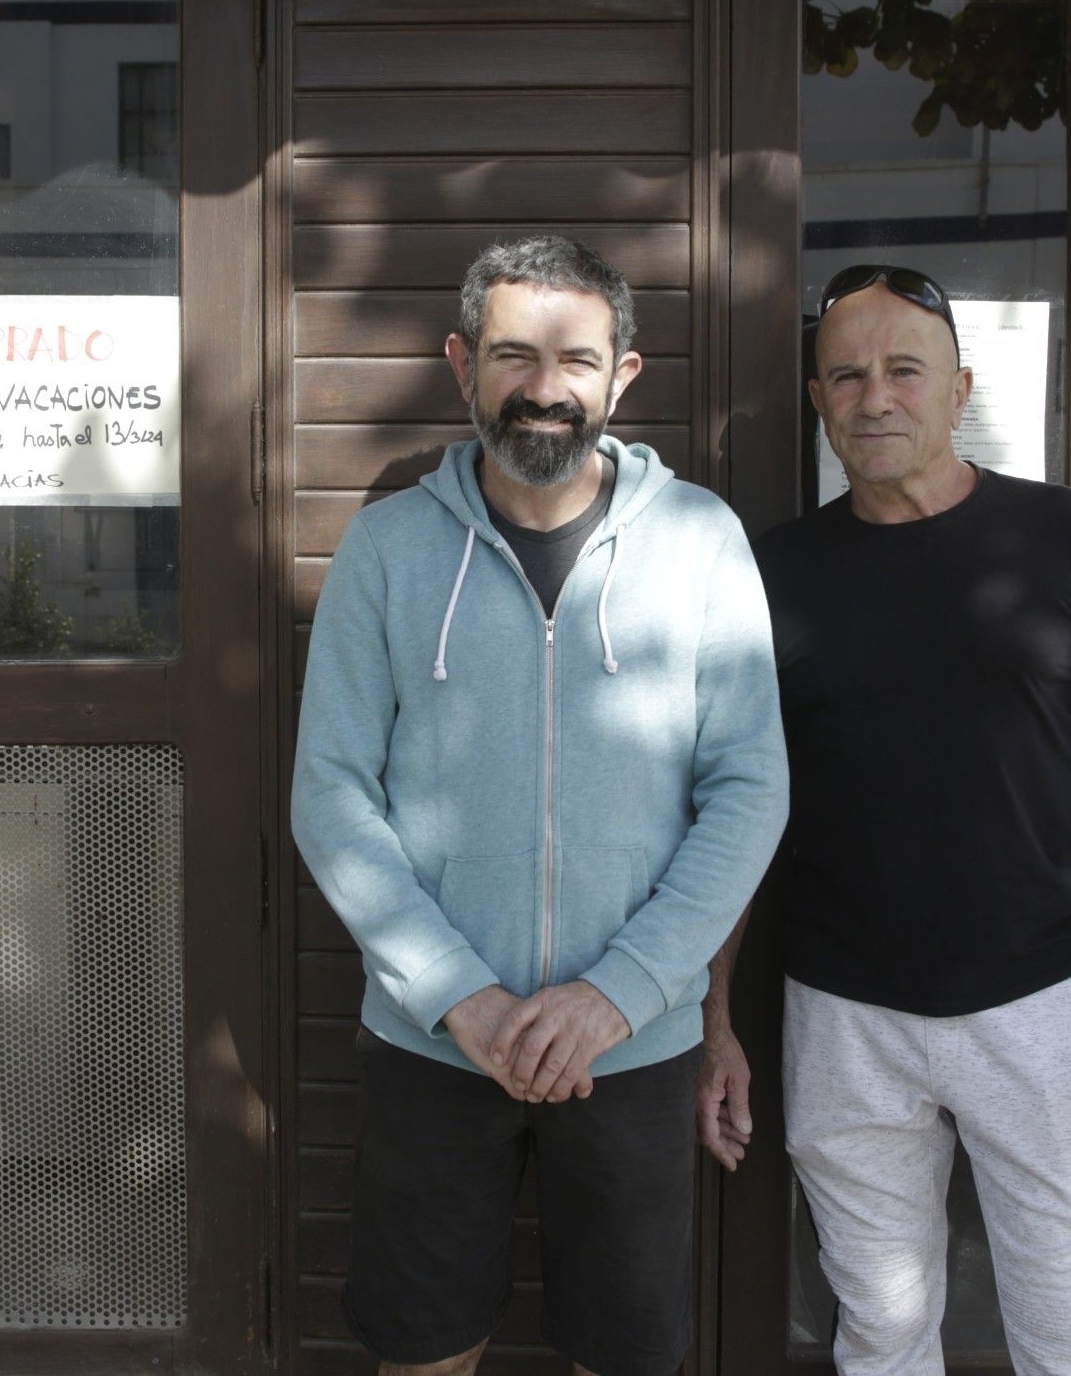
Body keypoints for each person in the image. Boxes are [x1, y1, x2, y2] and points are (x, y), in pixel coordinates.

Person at [700, 264, 1071, 1376]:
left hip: (1034, 998)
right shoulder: (771, 571)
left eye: (904, 369)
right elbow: (739, 808)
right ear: (817, 400)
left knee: (1069, 1323)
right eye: (846, 374)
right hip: (842, 1006)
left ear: (959, 389)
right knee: (881, 1325)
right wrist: (714, 1014)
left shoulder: (1068, 538)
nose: (875, 396)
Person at [294, 234, 789, 1376]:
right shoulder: (388, 547)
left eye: (575, 356)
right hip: (431, 1038)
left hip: (633, 1042)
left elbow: (750, 788)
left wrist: (618, 994)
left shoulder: (702, 540)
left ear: (623, 375)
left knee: (622, 1352)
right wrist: (458, 994)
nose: (544, 384)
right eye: (513, 353)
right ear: (462, 361)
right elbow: (328, 792)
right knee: (423, 1348)